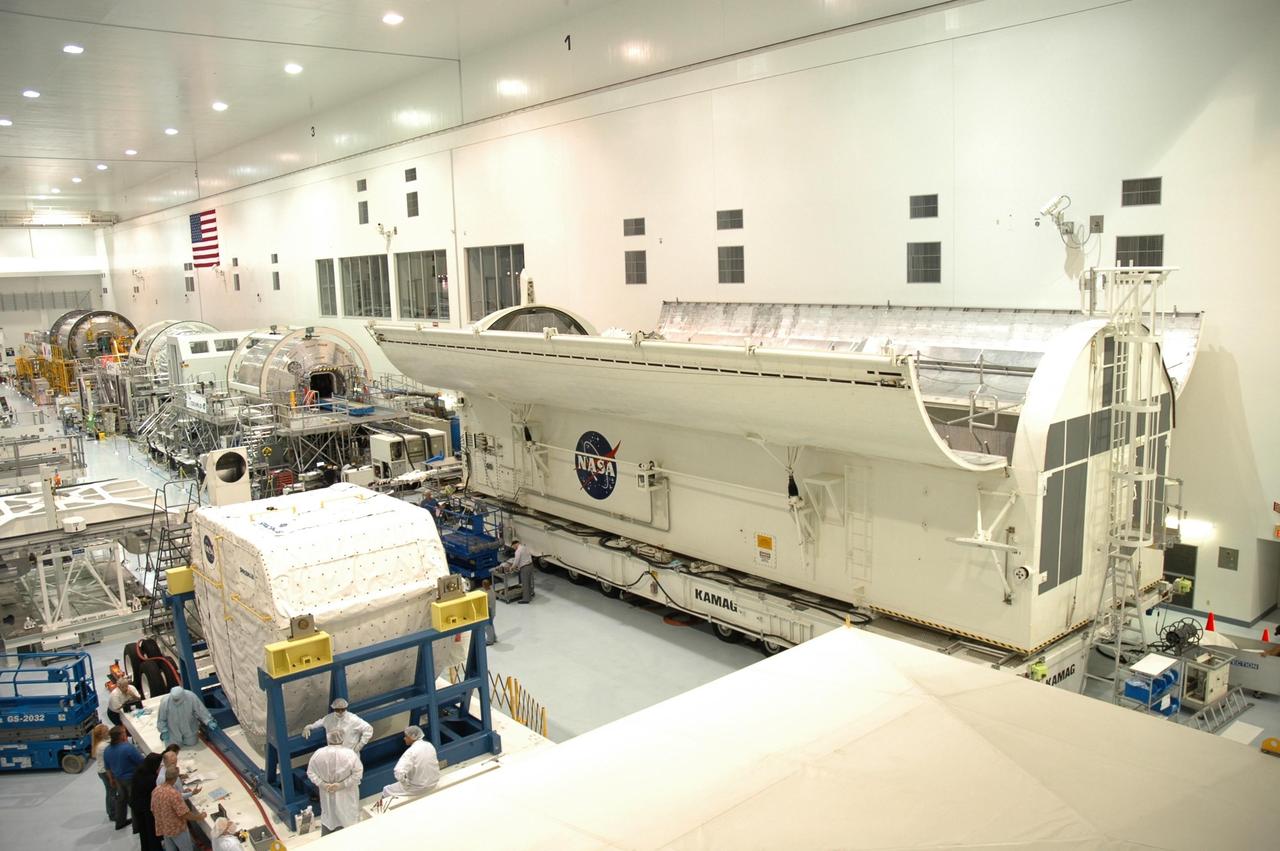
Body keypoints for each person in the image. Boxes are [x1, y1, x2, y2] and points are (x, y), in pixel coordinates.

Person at [306, 729, 364, 835]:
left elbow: (310, 772)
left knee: (330, 819)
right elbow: (358, 773)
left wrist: (322, 784)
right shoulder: (350, 754)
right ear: (342, 739)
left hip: (327, 794)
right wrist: (342, 785)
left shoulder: (318, 754)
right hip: (346, 794)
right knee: (348, 821)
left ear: (328, 739)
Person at [153, 766, 207, 851]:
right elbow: (184, 814)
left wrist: (191, 793)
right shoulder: (174, 794)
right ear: (175, 779)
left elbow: (153, 809)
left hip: (164, 827)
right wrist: (199, 817)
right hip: (177, 829)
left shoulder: (156, 790)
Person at [381, 726, 439, 799]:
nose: (404, 738)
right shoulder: (429, 745)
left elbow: (398, 772)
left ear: (412, 737)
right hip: (434, 782)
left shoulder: (411, 752)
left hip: (419, 788)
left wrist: (405, 784)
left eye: (406, 736)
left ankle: (380, 809)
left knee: (386, 790)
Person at [103, 725, 144, 830]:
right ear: (121, 736)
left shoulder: (107, 750)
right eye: (124, 733)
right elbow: (141, 762)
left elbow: (107, 767)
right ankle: (138, 826)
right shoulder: (127, 748)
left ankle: (120, 822)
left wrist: (111, 779)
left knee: (121, 801)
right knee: (134, 802)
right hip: (131, 779)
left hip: (118, 779)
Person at [303, 698, 372, 753]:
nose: (340, 712)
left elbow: (368, 729)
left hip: (350, 756)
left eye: (342, 709)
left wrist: (359, 747)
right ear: (334, 709)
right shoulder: (329, 718)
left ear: (346, 708)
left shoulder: (353, 719)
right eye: (337, 710)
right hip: (334, 756)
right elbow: (319, 723)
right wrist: (309, 726)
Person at [131, 753, 164, 851]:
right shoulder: (151, 779)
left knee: (143, 830)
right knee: (151, 831)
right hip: (146, 808)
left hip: (136, 805)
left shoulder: (139, 770)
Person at [91, 723, 114, 820]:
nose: (108, 732)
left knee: (110, 791)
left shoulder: (100, 743)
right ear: (101, 735)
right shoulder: (103, 746)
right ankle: (112, 813)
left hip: (103, 771)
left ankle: (111, 811)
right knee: (111, 792)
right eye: (106, 731)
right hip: (105, 772)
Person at [482, 579, 497, 645]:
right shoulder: (492, 589)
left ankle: (490, 641)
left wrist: (488, 616)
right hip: (493, 610)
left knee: (487, 626)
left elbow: (487, 606)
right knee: (491, 625)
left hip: (489, 612)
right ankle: (494, 638)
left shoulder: (487, 594)